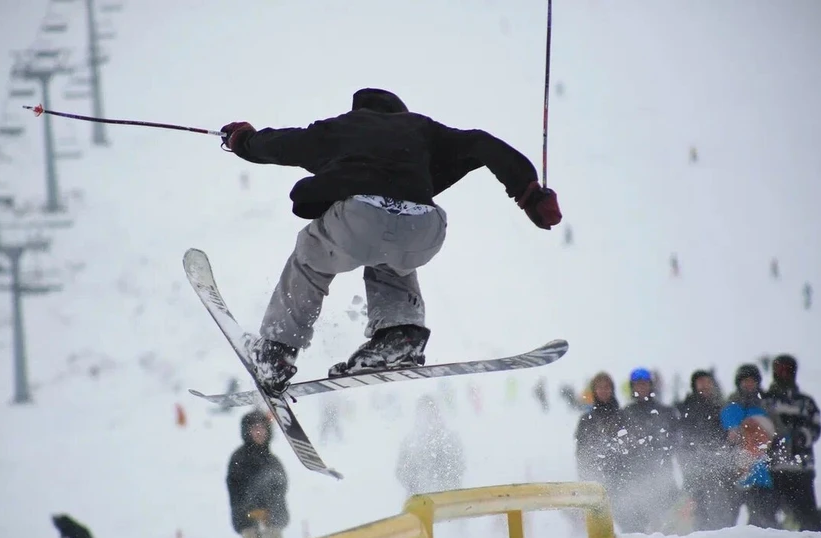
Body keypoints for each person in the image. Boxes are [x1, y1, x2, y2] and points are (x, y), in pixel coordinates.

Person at [219, 88, 563, 393]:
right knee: (393, 259)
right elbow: (481, 142)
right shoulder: (423, 129)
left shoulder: (343, 127)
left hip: (361, 218)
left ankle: (276, 353)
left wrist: (243, 141)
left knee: (309, 258)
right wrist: (529, 192)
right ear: (400, 112)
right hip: (425, 227)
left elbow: (282, 144)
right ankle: (401, 335)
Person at [615, 368, 682, 534]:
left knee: (667, 531)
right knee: (635, 533)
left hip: (662, 478)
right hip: (633, 481)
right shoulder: (625, 414)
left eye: (644, 384)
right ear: (632, 388)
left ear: (651, 386)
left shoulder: (666, 412)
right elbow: (618, 447)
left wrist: (658, 444)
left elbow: (678, 442)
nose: (641, 388)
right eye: (637, 385)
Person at [765, 354, 821, 532]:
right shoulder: (766, 401)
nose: (784, 373)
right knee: (764, 518)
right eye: (780, 369)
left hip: (801, 469)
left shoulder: (805, 403)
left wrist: (801, 437)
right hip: (772, 469)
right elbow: (755, 426)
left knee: (808, 520)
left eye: (787, 370)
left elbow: (816, 428)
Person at [674, 371, 738, 530]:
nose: (704, 385)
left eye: (708, 381)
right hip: (694, 465)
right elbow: (681, 437)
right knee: (698, 505)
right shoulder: (686, 407)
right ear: (694, 385)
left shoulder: (722, 407)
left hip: (719, 464)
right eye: (700, 382)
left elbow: (731, 435)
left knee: (722, 505)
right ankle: (699, 536)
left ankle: (722, 535)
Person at [226, 410, 290, 538]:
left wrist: (274, 514)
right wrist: (248, 514)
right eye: (254, 428)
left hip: (272, 525)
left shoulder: (273, 461)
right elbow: (236, 492)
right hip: (251, 526)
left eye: (262, 428)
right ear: (247, 431)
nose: (259, 432)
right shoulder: (239, 459)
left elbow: (281, 491)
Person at [720, 364, 777, 528]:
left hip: (760, 473)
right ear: (739, 383)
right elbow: (723, 434)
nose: (748, 384)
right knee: (728, 519)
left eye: (752, 381)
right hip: (734, 471)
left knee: (760, 519)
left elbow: (774, 435)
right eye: (745, 381)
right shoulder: (729, 406)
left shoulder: (765, 407)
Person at [396, 395, 465, 497]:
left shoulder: (450, 439)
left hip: (448, 500)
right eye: (424, 415)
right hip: (419, 501)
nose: (429, 420)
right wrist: (414, 479)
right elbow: (401, 473)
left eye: (432, 415)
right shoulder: (410, 443)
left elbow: (458, 469)